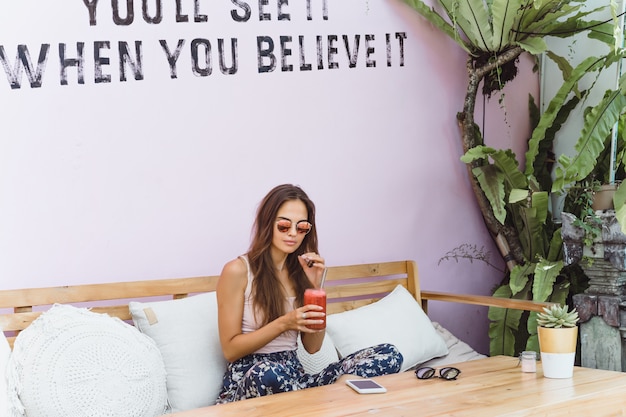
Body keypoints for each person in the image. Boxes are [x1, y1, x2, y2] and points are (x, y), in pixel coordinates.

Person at [215, 184, 403, 404]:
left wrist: (316, 287)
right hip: (253, 378)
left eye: (302, 227)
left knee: (389, 354)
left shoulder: (301, 272)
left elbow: (313, 348)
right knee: (269, 373)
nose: (293, 234)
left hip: (297, 380)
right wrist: (284, 323)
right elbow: (230, 349)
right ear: (268, 223)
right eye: (284, 225)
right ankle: (324, 401)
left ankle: (325, 398)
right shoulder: (238, 270)